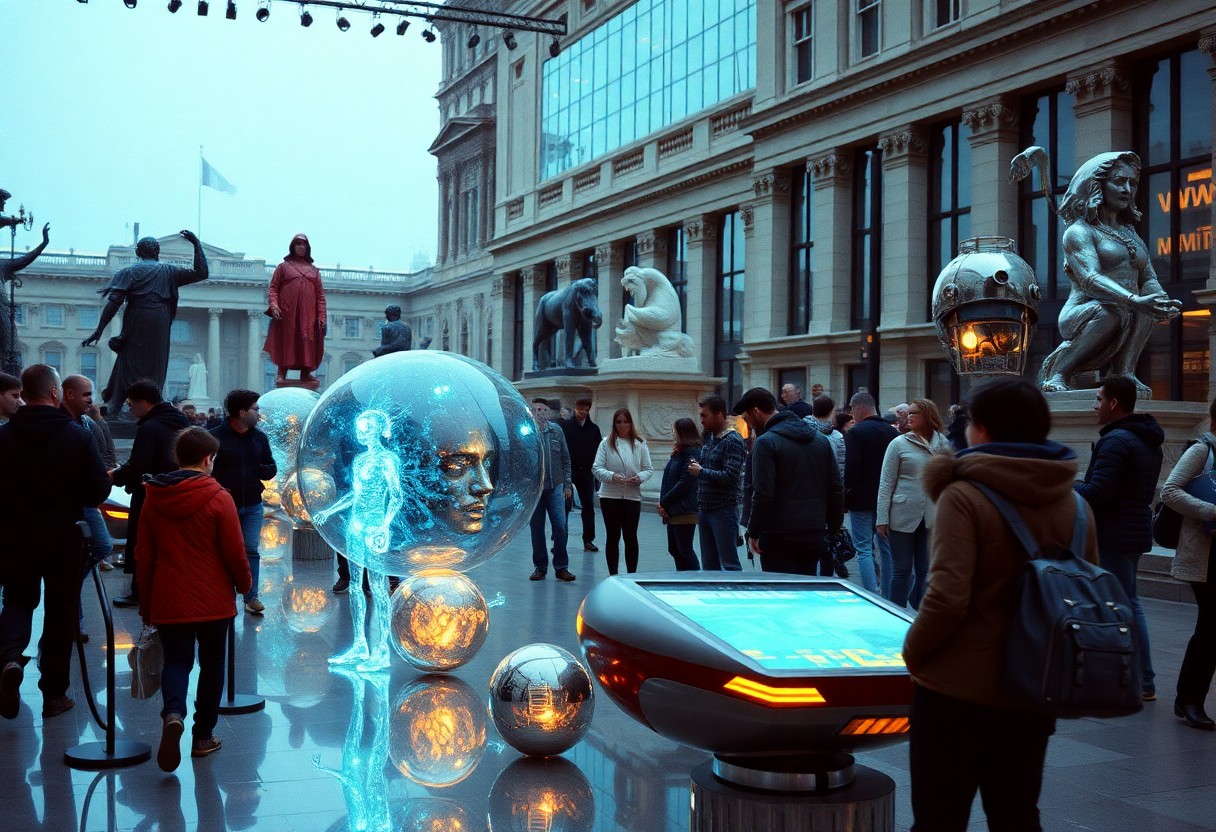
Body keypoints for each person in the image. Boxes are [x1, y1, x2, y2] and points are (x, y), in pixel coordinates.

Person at [904, 377, 1098, 831]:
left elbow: (947, 597)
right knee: (1016, 815)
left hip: (957, 690)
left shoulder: (964, 495)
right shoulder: (1076, 504)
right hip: (1036, 686)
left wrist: (913, 652)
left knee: (938, 818)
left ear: (984, 430)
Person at [137, 427, 252, 771]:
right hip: (214, 598)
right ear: (207, 459)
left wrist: (147, 602)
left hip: (170, 596)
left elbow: (144, 555)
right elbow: (235, 551)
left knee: (177, 661)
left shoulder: (153, 497)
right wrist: (246, 585)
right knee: (213, 663)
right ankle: (203, 737)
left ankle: (173, 713)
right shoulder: (219, 497)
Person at [0, 365, 110, 720]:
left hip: (15, 532)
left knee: (17, 600)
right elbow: (97, 490)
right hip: (62, 532)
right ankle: (54, 694)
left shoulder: (4, 435)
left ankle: (10, 658)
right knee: (61, 610)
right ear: (54, 394)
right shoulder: (76, 435)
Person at [1039, 151, 1181, 394]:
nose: (1127, 189)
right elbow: (1090, 280)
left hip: (1124, 308)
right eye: (1119, 181)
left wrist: (1160, 301)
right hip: (1083, 312)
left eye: (1132, 183)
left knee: (1147, 299)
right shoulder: (1079, 232)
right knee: (1114, 310)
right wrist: (1134, 300)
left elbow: (1148, 277)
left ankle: (1124, 372)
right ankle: (1058, 373)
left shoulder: (1129, 233)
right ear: (1097, 185)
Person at [1074, 374, 1162, 701]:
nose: (1095, 406)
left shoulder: (1117, 441)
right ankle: (1135, 678)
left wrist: (1068, 485)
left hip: (1115, 532)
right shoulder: (1142, 439)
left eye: (1098, 399)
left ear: (1113, 403)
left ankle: (1142, 680)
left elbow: (1098, 492)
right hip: (1131, 529)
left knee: (1124, 605)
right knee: (1126, 603)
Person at [82, 232, 208, 416]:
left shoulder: (128, 272)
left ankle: (116, 405)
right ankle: (152, 407)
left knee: (127, 362)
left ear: (137, 252)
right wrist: (196, 244)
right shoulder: (169, 271)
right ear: (157, 252)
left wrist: (99, 330)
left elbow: (113, 302)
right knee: (156, 364)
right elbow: (202, 272)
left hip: (137, 317)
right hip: (160, 319)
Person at [734, 388, 842, 575]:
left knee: (780, 593)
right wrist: (832, 527)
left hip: (778, 534)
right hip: (813, 531)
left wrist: (754, 531)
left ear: (756, 411)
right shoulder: (820, 440)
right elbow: (835, 487)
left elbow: (763, 493)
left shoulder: (765, 442)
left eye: (746, 418)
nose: (748, 424)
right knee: (806, 591)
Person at [110, 380, 191, 608]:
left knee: (143, 542)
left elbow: (138, 464)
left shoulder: (149, 427)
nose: (128, 409)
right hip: (177, 490)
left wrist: (114, 476)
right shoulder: (180, 421)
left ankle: (140, 592)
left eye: (131, 403)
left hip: (151, 493)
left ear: (144, 402)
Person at [1161, 397, 1216, 731]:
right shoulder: (1202, 450)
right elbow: (1170, 491)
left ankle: (1189, 699)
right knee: (1210, 627)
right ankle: (1190, 700)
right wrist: (1212, 511)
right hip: (1207, 553)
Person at [877, 398, 951, 609]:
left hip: (932, 516)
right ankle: (895, 613)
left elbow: (949, 482)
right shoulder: (898, 444)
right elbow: (886, 482)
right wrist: (882, 517)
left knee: (926, 571)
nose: (908, 417)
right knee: (901, 570)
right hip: (902, 513)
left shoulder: (943, 444)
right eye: (908, 413)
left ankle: (920, 612)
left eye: (914, 413)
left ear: (928, 416)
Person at [210, 389, 277, 616]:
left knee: (251, 550)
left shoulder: (259, 438)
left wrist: (260, 470)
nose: (259, 413)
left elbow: (271, 467)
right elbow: (203, 469)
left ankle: (251, 596)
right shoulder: (214, 437)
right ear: (241, 412)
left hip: (252, 503)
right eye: (255, 409)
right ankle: (222, 595)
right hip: (223, 504)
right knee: (221, 551)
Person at [844, 391, 898, 595]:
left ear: (859, 408)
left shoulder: (856, 433)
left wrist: (847, 491)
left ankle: (871, 594)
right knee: (885, 547)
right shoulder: (892, 432)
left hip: (861, 498)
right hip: (886, 498)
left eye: (851, 408)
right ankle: (888, 593)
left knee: (864, 548)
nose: (851, 414)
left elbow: (852, 469)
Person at [60, 376, 114, 572]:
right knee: (102, 545)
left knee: (101, 546)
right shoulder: (61, 423)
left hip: (88, 497)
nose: (91, 399)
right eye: (87, 394)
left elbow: (104, 447)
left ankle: (71, 582)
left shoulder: (87, 422)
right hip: (77, 499)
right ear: (69, 394)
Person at [592, 408, 654, 575]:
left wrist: (639, 477)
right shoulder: (606, 443)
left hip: (632, 495)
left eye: (625, 421)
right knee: (613, 536)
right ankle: (613, 573)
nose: (622, 425)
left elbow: (648, 469)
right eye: (619, 422)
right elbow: (597, 468)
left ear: (630, 423)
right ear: (614, 424)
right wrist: (612, 476)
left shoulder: (640, 443)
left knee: (630, 535)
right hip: (610, 495)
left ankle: (631, 574)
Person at [690, 395, 746, 571]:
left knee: (730, 564)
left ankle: (735, 596)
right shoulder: (710, 437)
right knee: (709, 565)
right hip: (705, 509)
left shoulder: (733, 440)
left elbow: (730, 476)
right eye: (700, 415)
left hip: (723, 510)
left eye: (705, 415)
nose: (702, 420)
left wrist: (701, 471)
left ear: (719, 414)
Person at [264, 234, 327, 385]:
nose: (300, 247)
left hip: (308, 314)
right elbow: (273, 289)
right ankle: (282, 373)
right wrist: (274, 305)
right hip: (287, 312)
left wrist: (321, 316)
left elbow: (320, 297)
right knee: (287, 340)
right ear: (293, 246)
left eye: (303, 244)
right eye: (297, 244)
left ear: (307, 248)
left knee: (307, 340)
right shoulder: (283, 267)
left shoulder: (314, 271)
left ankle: (306, 373)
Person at [528, 399, 574, 582]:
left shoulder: (556, 431)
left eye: (543, 410)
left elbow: (565, 459)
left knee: (560, 525)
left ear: (548, 412)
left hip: (555, 486)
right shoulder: (527, 433)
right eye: (537, 409)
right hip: (535, 489)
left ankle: (561, 566)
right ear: (532, 411)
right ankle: (540, 566)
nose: (540, 413)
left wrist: (568, 484)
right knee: (537, 528)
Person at [560, 397, 603, 552]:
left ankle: (588, 540)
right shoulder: (565, 427)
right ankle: (560, 539)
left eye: (586, 409)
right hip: (569, 472)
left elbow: (599, 450)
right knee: (564, 506)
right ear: (575, 408)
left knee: (588, 506)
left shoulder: (594, 429)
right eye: (580, 409)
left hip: (586, 473)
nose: (582, 412)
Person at [658, 418, 701, 571]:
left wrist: (664, 501)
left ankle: (695, 579)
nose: (672, 434)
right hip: (673, 507)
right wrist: (663, 502)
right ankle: (682, 577)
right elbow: (668, 478)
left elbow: (686, 482)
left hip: (684, 508)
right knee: (674, 549)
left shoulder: (693, 453)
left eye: (674, 431)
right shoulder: (679, 453)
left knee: (684, 549)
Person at [806, 394, 846, 484]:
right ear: (831, 412)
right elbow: (840, 467)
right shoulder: (837, 437)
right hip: (827, 486)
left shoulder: (801, 430)